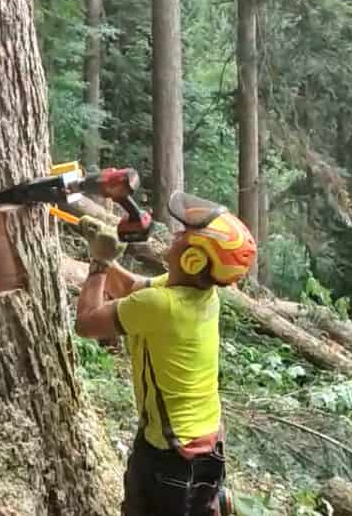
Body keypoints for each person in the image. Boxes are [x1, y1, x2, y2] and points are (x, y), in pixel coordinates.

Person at [73, 191, 257, 516]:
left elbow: (86, 323)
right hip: (200, 443)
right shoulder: (195, 294)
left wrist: (100, 263)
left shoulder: (162, 305)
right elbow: (129, 288)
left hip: (172, 456)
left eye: (184, 235)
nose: (175, 235)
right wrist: (103, 251)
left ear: (193, 261)